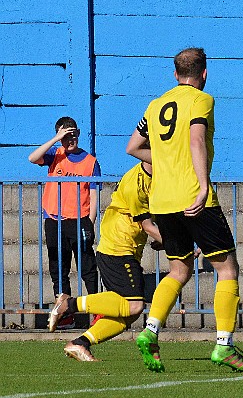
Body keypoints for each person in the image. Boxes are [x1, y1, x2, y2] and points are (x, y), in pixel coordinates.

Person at [126, 47, 243, 373]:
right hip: (193, 199)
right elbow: (197, 140)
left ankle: (150, 331)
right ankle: (224, 344)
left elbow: (133, 147)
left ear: (174, 74)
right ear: (204, 74)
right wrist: (203, 185)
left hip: (162, 202)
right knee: (227, 269)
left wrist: (166, 162)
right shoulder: (201, 100)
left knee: (179, 271)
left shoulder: (155, 106)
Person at [48, 161, 164, 361]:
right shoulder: (137, 182)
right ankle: (69, 304)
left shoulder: (152, 177)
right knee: (135, 305)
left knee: (128, 314)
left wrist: (163, 239)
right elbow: (146, 225)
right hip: (118, 248)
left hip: (123, 247)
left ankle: (80, 343)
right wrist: (176, 246)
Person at [29, 116, 101, 330]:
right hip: (54, 220)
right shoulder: (55, 155)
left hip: (79, 220)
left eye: (73, 134)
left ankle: (98, 313)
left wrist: (90, 221)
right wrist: (56, 138)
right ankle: (65, 314)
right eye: (65, 136)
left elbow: (95, 194)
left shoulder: (90, 161)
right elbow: (33, 158)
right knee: (58, 267)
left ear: (78, 134)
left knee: (87, 267)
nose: (70, 139)